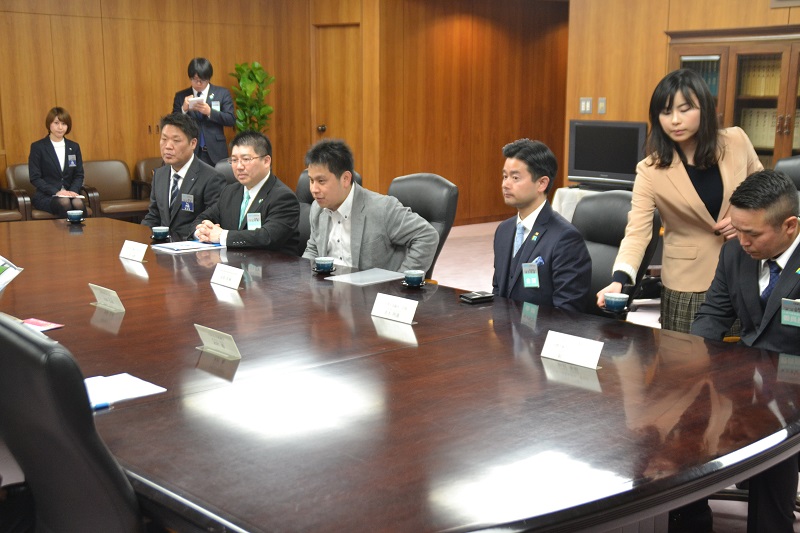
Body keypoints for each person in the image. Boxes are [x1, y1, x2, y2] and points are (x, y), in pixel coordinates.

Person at [596, 69, 763, 332]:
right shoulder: (650, 170)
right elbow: (637, 232)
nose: (675, 120)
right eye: (666, 112)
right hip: (688, 284)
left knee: (743, 355)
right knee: (684, 356)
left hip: (746, 271)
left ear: (704, 109)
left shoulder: (736, 141)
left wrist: (744, 221)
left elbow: (764, 194)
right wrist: (619, 279)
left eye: (685, 109)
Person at [692, 169, 800, 533]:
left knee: (775, 455)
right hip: (747, 378)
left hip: (794, 386)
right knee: (687, 429)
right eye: (737, 230)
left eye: (752, 234)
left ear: (789, 226)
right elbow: (713, 315)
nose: (742, 241)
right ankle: (689, 517)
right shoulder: (734, 254)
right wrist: (687, 364)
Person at [301, 139, 439, 273]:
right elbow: (313, 249)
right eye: (311, 180)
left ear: (345, 179)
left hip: (373, 287)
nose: (313, 189)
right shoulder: (317, 209)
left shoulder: (382, 208)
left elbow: (427, 236)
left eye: (321, 181)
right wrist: (302, 278)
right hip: (328, 286)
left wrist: (401, 279)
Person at [492, 138, 591, 312]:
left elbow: (568, 311)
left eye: (515, 178)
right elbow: (498, 291)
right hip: (507, 327)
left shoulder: (565, 238)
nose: (505, 184)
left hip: (542, 328)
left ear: (541, 183)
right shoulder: (504, 230)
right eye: (505, 176)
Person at [192, 130, 299, 254]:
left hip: (271, 264)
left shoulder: (283, 197)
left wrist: (222, 236)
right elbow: (201, 218)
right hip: (233, 262)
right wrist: (202, 232)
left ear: (266, 161)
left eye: (246, 159)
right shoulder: (230, 191)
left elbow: (267, 237)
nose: (239, 166)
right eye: (234, 160)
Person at [141, 113, 225, 240]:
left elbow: (210, 222)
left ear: (193, 143)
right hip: (162, 246)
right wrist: (138, 238)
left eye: (176, 141)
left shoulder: (212, 178)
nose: (168, 146)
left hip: (193, 247)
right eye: (164, 139)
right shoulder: (159, 175)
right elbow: (153, 216)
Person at [172, 57, 235, 166]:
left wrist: (210, 112)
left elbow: (231, 119)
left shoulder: (222, 93)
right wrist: (183, 109)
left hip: (216, 150)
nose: (198, 83)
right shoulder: (181, 96)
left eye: (202, 80)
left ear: (209, 78)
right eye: (195, 80)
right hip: (191, 150)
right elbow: (173, 124)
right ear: (190, 78)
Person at [28, 107, 85, 218]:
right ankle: (67, 229)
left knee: (78, 203)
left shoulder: (73, 147)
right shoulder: (38, 147)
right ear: (49, 124)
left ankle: (83, 229)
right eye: (56, 123)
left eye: (64, 124)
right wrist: (56, 192)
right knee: (64, 202)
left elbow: (79, 174)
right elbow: (35, 177)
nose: (60, 127)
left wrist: (73, 191)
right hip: (47, 195)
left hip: (70, 193)